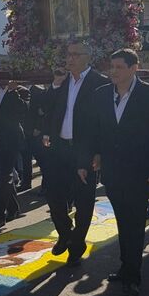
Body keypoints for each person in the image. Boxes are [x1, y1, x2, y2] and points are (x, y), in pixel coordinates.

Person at [79, 48, 149, 296]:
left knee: (135, 224)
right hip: (112, 171)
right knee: (123, 221)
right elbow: (95, 130)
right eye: (112, 66)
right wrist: (93, 155)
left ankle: (133, 274)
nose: (113, 72)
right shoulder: (102, 94)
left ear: (133, 68)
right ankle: (125, 266)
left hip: (140, 171)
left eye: (119, 67)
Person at [42, 39, 108, 265]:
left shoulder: (100, 83)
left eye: (75, 54)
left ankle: (77, 242)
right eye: (68, 54)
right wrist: (55, 85)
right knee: (52, 194)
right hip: (60, 148)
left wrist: (98, 152)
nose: (70, 59)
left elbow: (102, 122)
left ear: (88, 56)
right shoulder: (63, 82)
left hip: (85, 150)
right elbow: (49, 110)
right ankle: (64, 234)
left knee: (84, 199)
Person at [0, 78, 28, 229]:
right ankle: (13, 208)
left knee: (3, 177)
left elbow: (23, 111)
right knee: (2, 177)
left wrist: (13, 92)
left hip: (10, 140)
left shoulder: (21, 91)